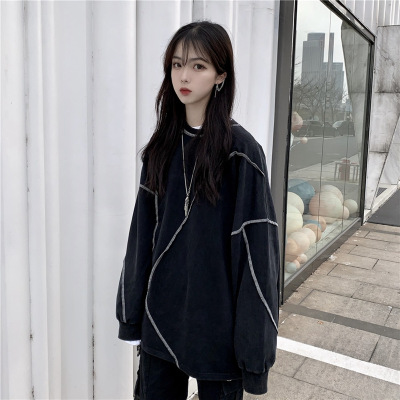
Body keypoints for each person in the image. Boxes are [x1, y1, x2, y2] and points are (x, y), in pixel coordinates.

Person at [116, 21, 280, 400]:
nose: (184, 76)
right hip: (162, 318)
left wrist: (254, 353)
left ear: (221, 75)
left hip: (218, 324)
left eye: (198, 66)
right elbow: (142, 237)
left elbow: (258, 256)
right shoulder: (161, 148)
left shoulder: (242, 153)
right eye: (177, 64)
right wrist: (131, 314)